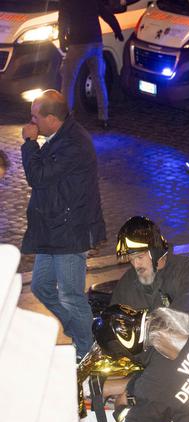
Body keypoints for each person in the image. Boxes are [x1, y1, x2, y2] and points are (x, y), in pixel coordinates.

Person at [20, 89, 106, 358]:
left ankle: (88, 353)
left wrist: (29, 143)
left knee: (71, 295)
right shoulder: (59, 136)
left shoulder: (73, 144)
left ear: (51, 119)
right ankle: (83, 331)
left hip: (71, 231)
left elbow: (38, 177)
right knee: (41, 286)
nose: (31, 122)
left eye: (35, 117)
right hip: (54, 229)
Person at [110, 216, 189, 321]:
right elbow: (114, 318)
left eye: (140, 257)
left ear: (156, 252)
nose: (136, 265)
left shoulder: (188, 271)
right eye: (131, 259)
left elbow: (186, 320)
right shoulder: (126, 284)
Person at [58, 0, 123, 129]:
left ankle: (66, 119)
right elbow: (105, 13)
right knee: (99, 80)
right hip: (95, 42)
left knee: (68, 81)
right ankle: (104, 117)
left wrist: (62, 40)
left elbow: (63, 20)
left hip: (77, 43)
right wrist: (117, 30)